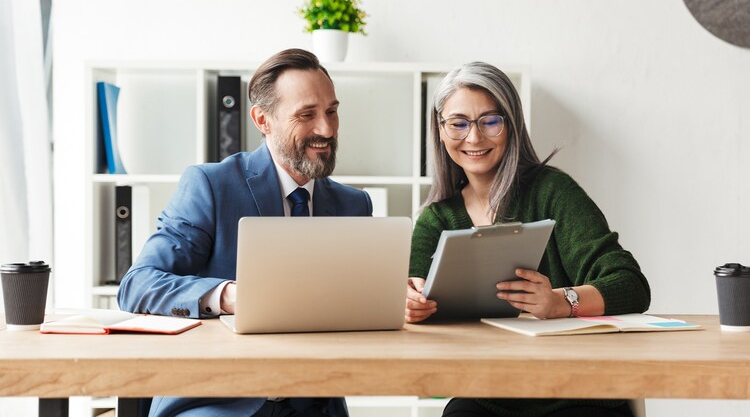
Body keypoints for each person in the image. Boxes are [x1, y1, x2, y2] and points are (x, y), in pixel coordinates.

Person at [117, 48, 371, 417]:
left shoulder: (354, 205)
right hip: (217, 399)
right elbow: (137, 285)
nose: (327, 129)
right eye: (306, 114)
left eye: (331, 111)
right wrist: (228, 296)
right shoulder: (211, 186)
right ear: (262, 119)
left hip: (315, 402)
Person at [405, 62, 651, 417]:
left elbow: (631, 285)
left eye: (490, 121)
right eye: (458, 123)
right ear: (440, 132)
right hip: (487, 391)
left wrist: (560, 302)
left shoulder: (553, 192)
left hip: (578, 394)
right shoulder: (435, 219)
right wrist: (409, 302)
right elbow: (411, 292)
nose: (474, 138)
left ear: (512, 126)